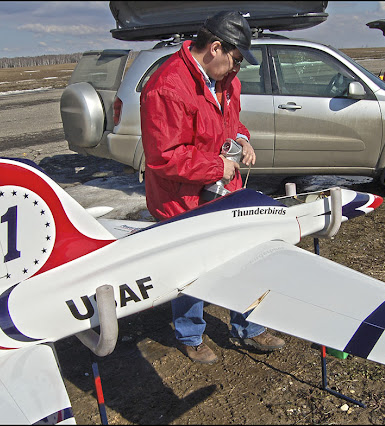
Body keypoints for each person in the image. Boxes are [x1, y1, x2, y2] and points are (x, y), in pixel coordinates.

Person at [140, 10, 285, 364]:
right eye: (235, 60)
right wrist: (217, 166)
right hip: (181, 200)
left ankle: (248, 325)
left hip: (222, 191)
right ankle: (190, 335)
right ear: (216, 48)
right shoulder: (166, 87)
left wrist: (242, 139)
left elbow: (230, 124)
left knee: (244, 255)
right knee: (191, 270)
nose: (237, 69)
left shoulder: (225, 81)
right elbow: (164, 157)